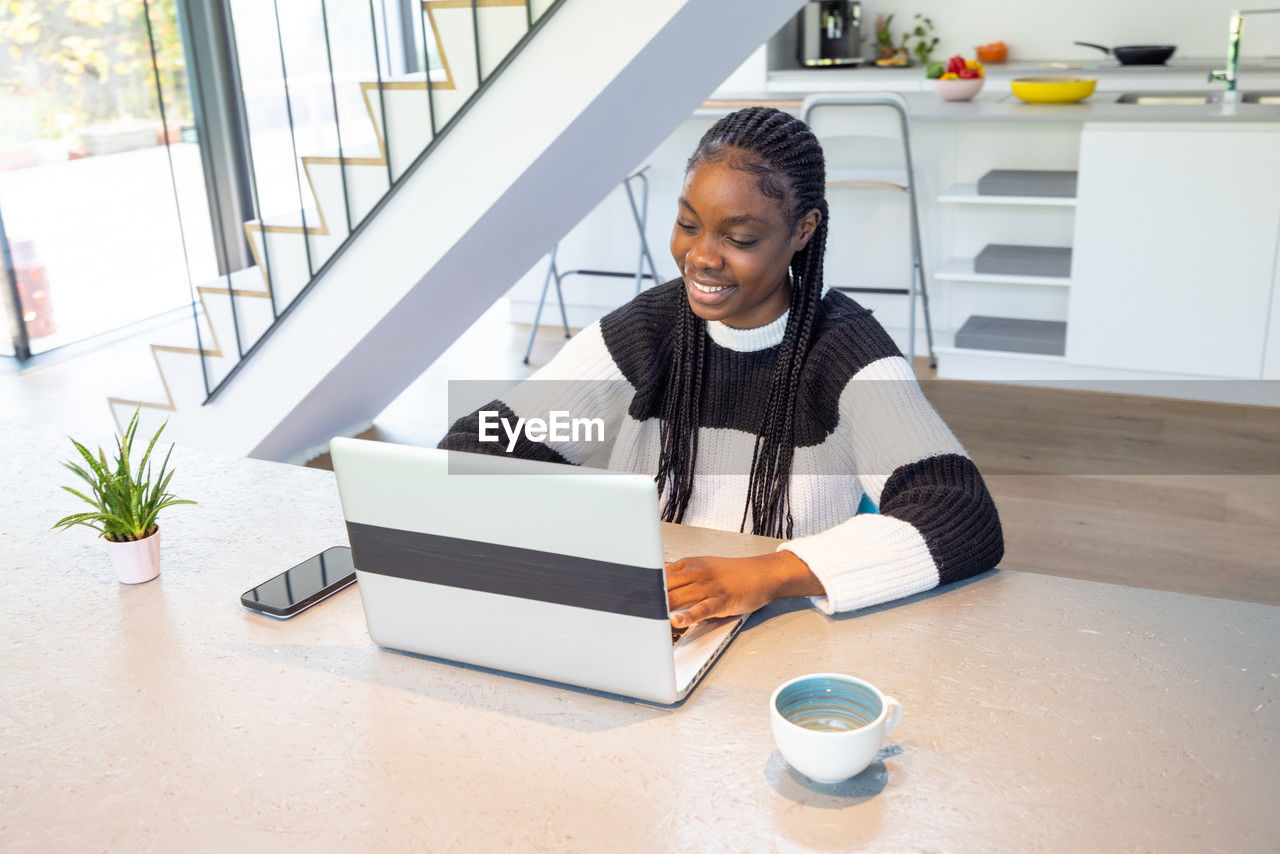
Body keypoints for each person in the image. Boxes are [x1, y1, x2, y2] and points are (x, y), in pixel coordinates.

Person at [440, 106, 1003, 629]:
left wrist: (766, 574)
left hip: (786, 626)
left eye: (739, 238)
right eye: (688, 225)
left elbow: (961, 515)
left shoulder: (845, 351)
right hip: (652, 614)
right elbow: (478, 446)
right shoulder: (647, 331)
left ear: (802, 231)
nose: (702, 257)